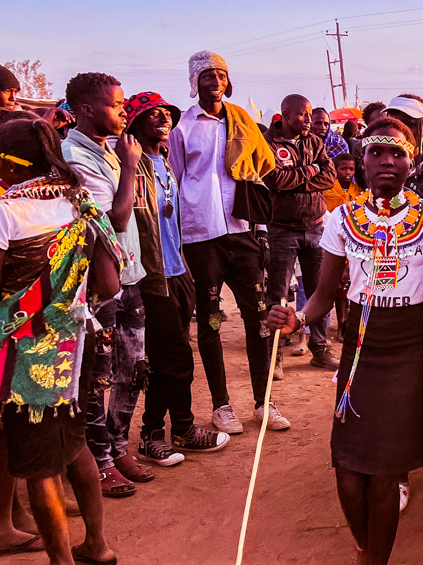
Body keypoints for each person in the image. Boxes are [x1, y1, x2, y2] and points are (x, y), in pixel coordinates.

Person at [267, 117, 423, 565]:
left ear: (412, 163)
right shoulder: (340, 218)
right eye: (376, 153)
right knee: (348, 471)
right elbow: (324, 294)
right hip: (361, 347)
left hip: (409, 344)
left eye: (398, 154)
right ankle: (366, 551)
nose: (387, 162)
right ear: (361, 162)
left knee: (386, 472)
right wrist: (296, 318)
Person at [0, 117, 121, 565]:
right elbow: (110, 284)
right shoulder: (84, 204)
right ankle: (98, 543)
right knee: (76, 445)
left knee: (37, 463)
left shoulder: (7, 212)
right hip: (78, 344)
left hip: (25, 359)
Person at [169, 51, 284, 434]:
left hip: (243, 230)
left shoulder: (243, 121)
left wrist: (262, 231)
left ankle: (263, 402)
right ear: (194, 82)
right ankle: (222, 406)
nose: (215, 81)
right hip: (202, 236)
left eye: (221, 74)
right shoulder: (182, 128)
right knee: (212, 322)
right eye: (207, 76)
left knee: (259, 319)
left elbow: (260, 173)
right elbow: (178, 181)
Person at [124, 93, 229, 465]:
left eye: (166, 114)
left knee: (169, 357)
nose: (162, 119)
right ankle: (171, 430)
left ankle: (161, 431)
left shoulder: (164, 161)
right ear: (133, 123)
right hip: (153, 276)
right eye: (150, 115)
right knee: (175, 358)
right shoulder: (133, 167)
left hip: (178, 268)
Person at [60, 73, 152, 497]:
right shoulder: (75, 156)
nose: (123, 112)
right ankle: (99, 458)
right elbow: (113, 219)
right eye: (115, 106)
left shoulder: (107, 150)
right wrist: (131, 165)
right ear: (84, 110)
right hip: (100, 284)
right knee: (100, 376)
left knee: (133, 367)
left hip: (128, 274)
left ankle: (119, 445)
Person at [263, 94, 338, 372]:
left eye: (309, 114)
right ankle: (275, 356)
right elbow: (274, 180)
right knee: (278, 295)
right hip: (282, 230)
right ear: (284, 115)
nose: (308, 119)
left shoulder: (315, 142)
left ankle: (319, 348)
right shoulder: (269, 143)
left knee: (319, 290)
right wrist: (311, 171)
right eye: (302, 114)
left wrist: (297, 177)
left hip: (316, 227)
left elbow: (329, 177)